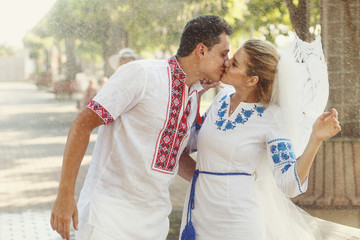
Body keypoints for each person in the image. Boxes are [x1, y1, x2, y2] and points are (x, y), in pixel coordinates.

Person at [50, 15, 233, 240]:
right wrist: (65, 194)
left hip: (155, 221)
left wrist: (220, 182)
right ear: (201, 50)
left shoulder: (193, 96)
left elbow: (173, 157)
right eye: (224, 54)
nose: (227, 61)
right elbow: (81, 125)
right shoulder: (142, 74)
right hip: (110, 216)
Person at [178, 39, 344, 239]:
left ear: (252, 80)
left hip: (238, 222)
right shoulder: (220, 100)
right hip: (199, 213)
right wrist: (195, 94)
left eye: (236, 63)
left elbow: (289, 185)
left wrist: (315, 139)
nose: (227, 62)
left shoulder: (272, 118)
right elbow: (187, 142)